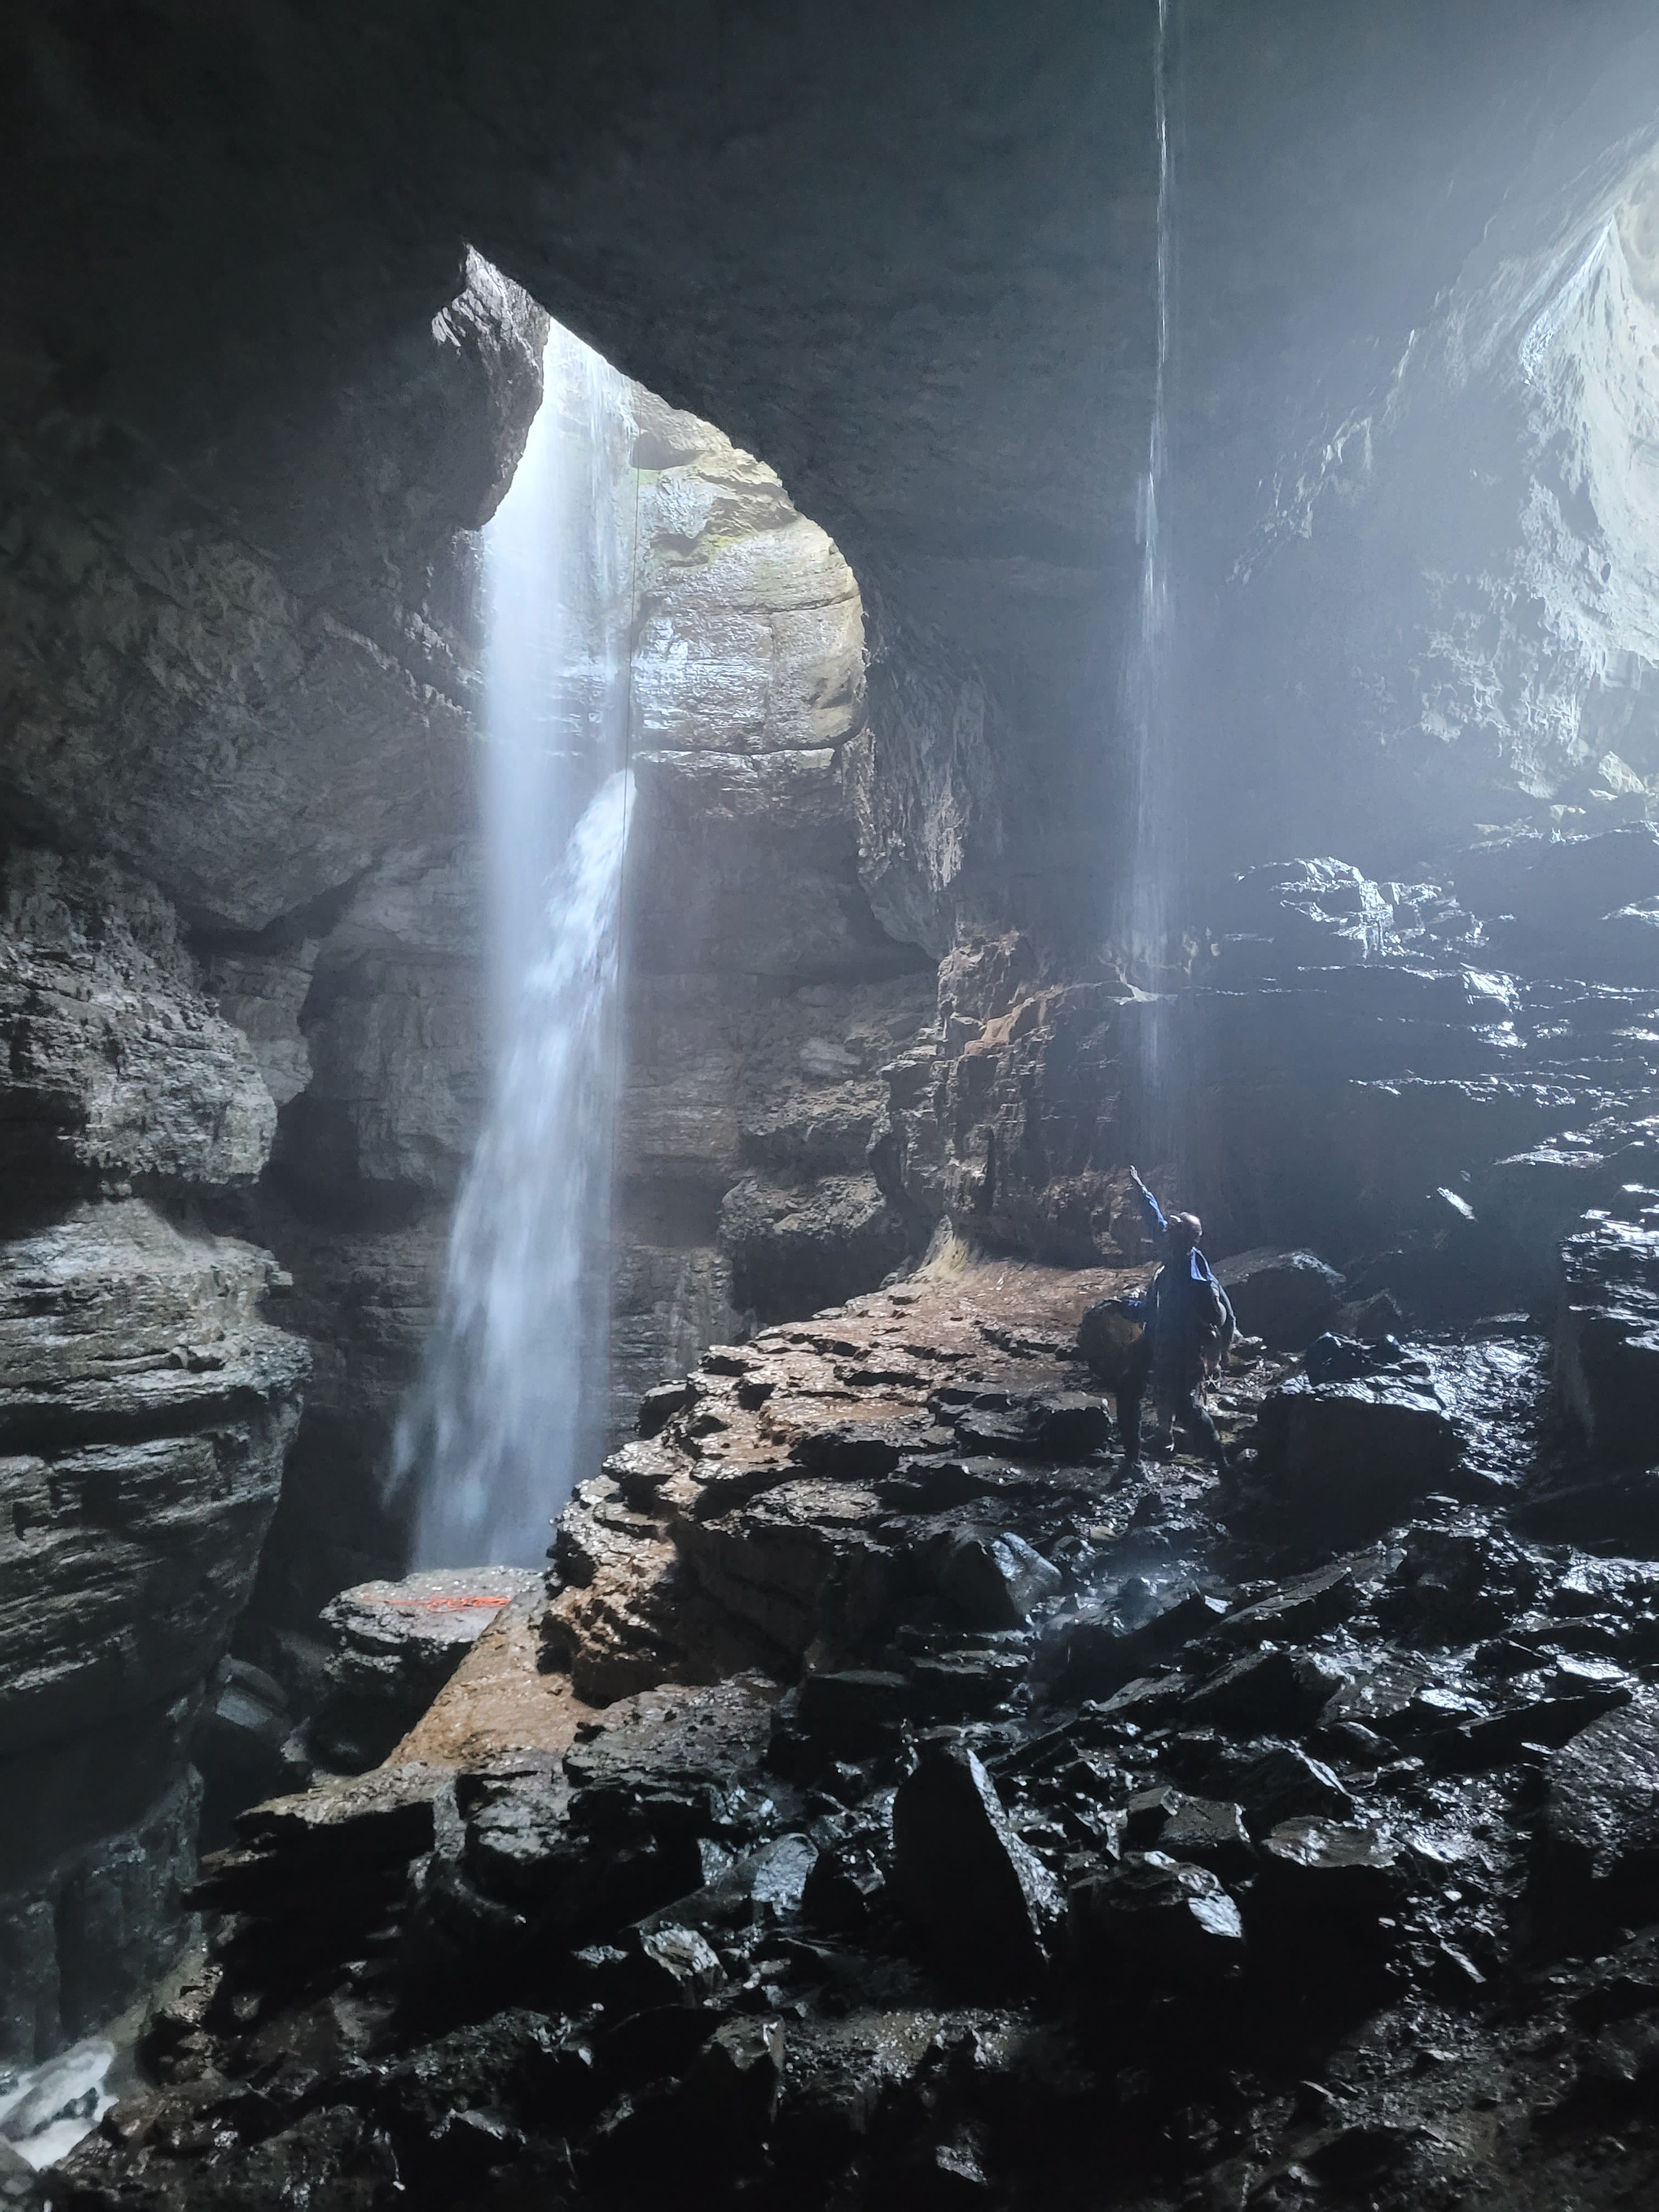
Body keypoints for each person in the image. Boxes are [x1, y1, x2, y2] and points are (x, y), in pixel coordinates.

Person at [1114, 1166, 1233, 1470]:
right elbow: (1155, 1221)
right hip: (1156, 1336)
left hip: (1181, 1348)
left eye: (1172, 1228)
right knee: (1129, 1385)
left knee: (1186, 1407)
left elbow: (1220, 1320)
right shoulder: (1173, 1251)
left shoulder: (1199, 1283)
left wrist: (1214, 1359)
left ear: (1184, 1241)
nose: (1164, 1230)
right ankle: (1132, 1458)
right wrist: (1142, 1191)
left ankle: (1221, 1464)